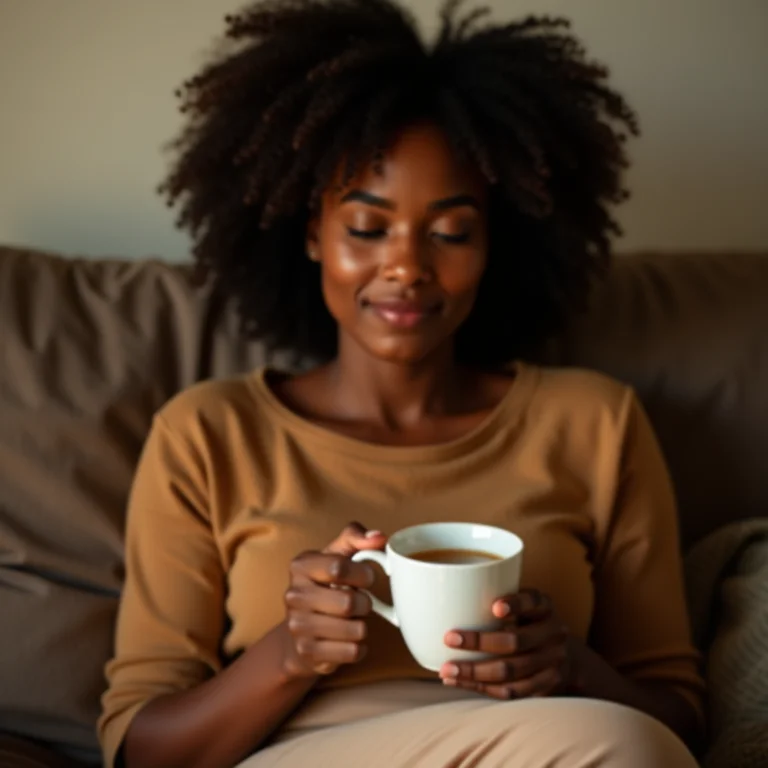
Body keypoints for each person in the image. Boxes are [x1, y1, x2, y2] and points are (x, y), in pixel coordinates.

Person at [98, 1, 705, 766]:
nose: (407, 267)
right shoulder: (207, 434)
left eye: (451, 232)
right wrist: (292, 654)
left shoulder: (595, 422)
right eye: (366, 227)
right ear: (312, 232)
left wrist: (569, 666)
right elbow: (140, 749)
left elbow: (680, 724)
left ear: (495, 244)